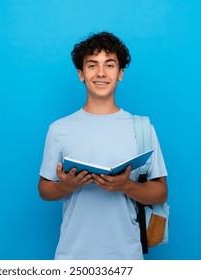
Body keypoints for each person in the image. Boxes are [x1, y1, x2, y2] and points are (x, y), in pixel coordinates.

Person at [38, 32, 168, 260]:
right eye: (92, 65)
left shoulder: (144, 129)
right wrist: (66, 186)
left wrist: (125, 185)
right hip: (72, 257)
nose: (100, 73)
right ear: (81, 74)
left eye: (109, 65)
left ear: (120, 74)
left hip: (127, 256)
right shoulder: (59, 129)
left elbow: (161, 193)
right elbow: (44, 190)